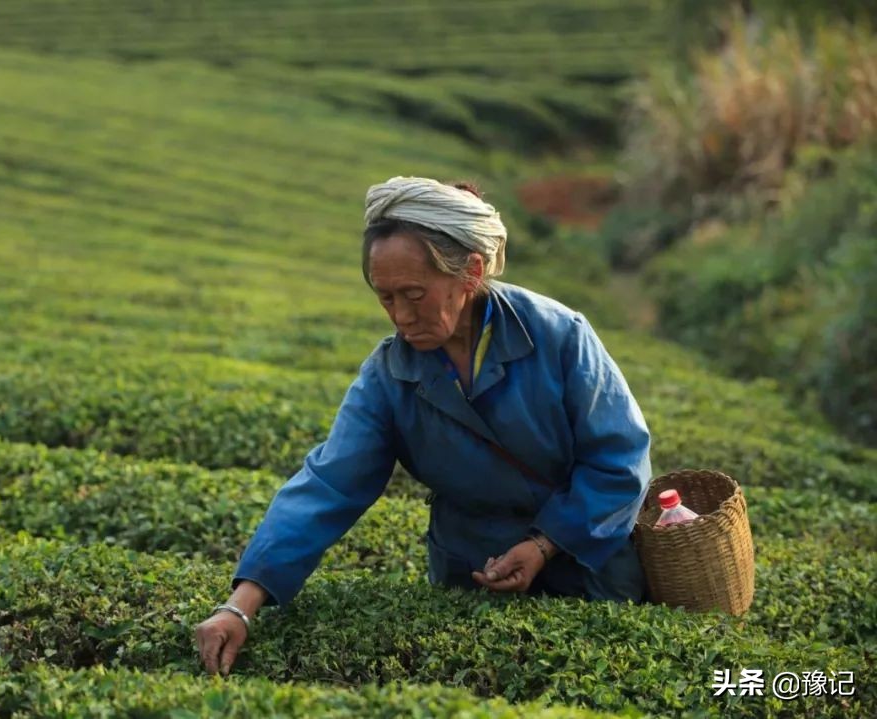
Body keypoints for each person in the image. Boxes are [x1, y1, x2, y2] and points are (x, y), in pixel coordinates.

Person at [195, 176, 652, 676]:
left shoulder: (558, 336)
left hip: (588, 566)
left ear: (471, 273)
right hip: (475, 578)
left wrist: (545, 545)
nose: (400, 316)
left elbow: (619, 460)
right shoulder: (389, 375)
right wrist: (241, 604)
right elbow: (329, 485)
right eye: (385, 297)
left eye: (415, 294)